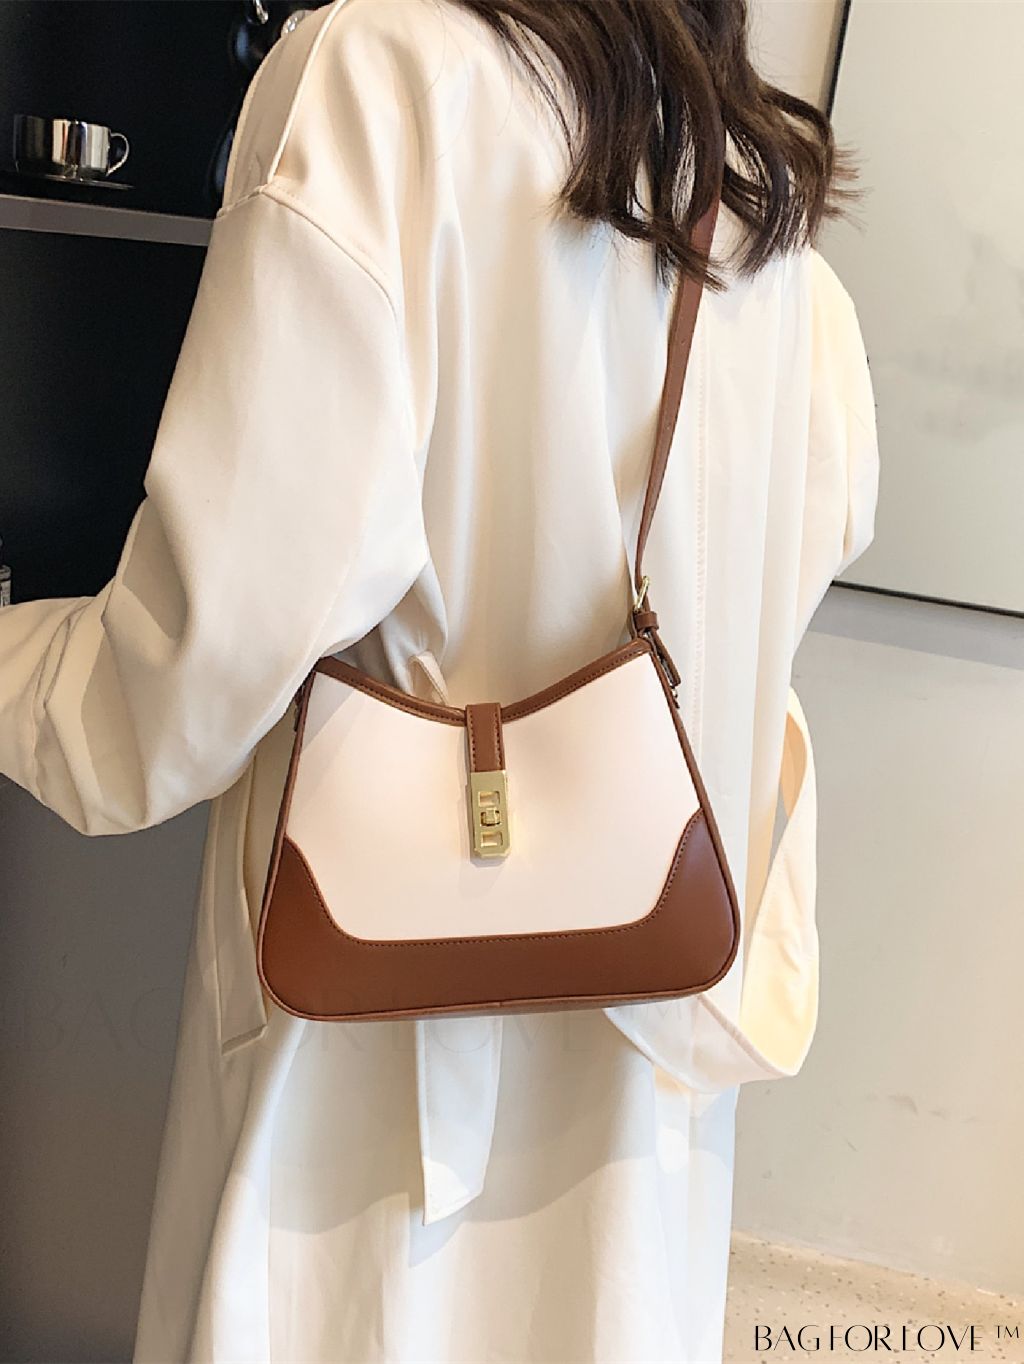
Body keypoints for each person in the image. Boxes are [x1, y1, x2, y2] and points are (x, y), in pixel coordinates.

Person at [0, 0, 880, 1359]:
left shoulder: (376, 77)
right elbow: (809, 553)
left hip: (364, 1115)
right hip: (647, 1098)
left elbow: (183, 680)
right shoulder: (754, 182)